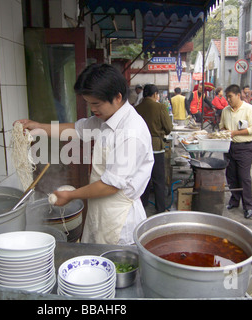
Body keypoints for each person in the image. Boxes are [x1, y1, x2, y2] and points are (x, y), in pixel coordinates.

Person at [15, 64, 154, 245]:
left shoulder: (131, 133)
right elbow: (78, 129)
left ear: (118, 97)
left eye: (96, 104)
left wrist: (72, 195)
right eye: (88, 103)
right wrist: (40, 127)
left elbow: (110, 186)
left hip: (119, 220)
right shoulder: (105, 119)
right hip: (99, 211)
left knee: (115, 268)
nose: (92, 109)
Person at [220, 84, 252, 219]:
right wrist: (223, 131)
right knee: (231, 175)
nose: (228, 100)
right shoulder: (226, 110)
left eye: (230, 97)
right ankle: (234, 200)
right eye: (227, 97)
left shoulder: (248, 109)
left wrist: (235, 132)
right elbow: (222, 126)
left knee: (244, 177)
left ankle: (248, 206)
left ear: (238, 95)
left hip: (244, 147)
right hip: (229, 146)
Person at [136, 84, 173, 213]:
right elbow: (168, 127)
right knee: (158, 180)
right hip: (156, 146)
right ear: (155, 94)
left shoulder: (137, 108)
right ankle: (160, 209)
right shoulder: (160, 107)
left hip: (139, 147)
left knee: (143, 177)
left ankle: (143, 205)